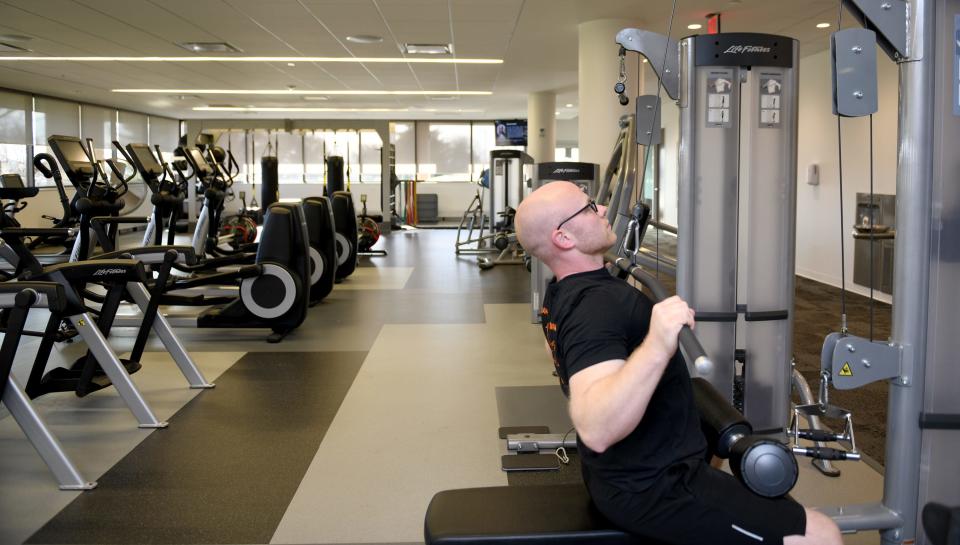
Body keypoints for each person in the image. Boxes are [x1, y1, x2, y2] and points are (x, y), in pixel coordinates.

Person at [514, 181, 842, 545]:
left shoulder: (561, 292)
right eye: (590, 207)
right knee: (820, 534)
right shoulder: (596, 307)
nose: (604, 209)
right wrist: (657, 341)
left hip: (636, 474)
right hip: (658, 487)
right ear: (563, 238)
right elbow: (596, 429)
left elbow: (561, 354)